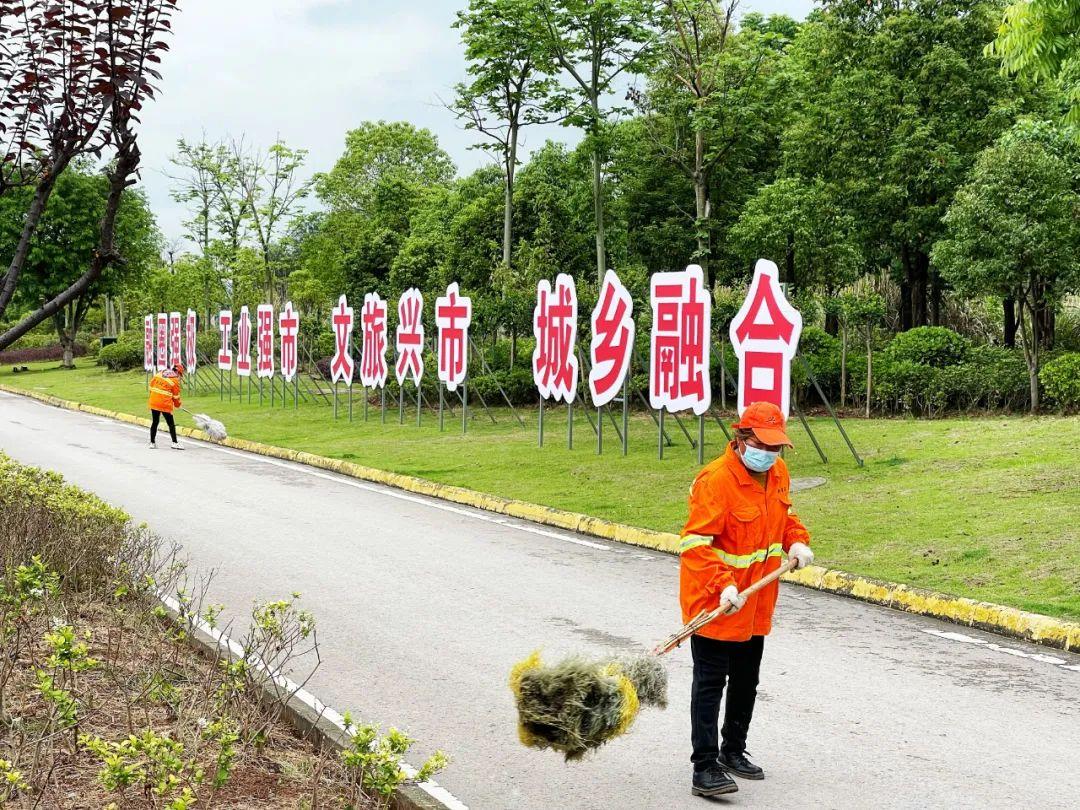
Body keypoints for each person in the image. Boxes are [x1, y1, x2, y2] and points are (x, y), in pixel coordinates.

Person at [679, 401, 814, 798]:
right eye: (763, 445)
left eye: (777, 448)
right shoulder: (714, 481)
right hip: (717, 601)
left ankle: (732, 750)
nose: (770, 454)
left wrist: (797, 540)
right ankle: (703, 767)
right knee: (710, 684)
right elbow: (694, 544)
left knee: (746, 681)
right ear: (740, 439)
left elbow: (784, 518)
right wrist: (722, 585)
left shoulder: (777, 473)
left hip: (756, 601)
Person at [148, 362, 185, 450]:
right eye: (180, 375)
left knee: (155, 422)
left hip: (154, 401)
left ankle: (152, 443)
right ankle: (174, 443)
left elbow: (151, 386)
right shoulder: (174, 380)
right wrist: (178, 405)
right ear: (178, 372)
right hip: (164, 404)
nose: (179, 377)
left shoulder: (160, 373)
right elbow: (176, 397)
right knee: (171, 424)